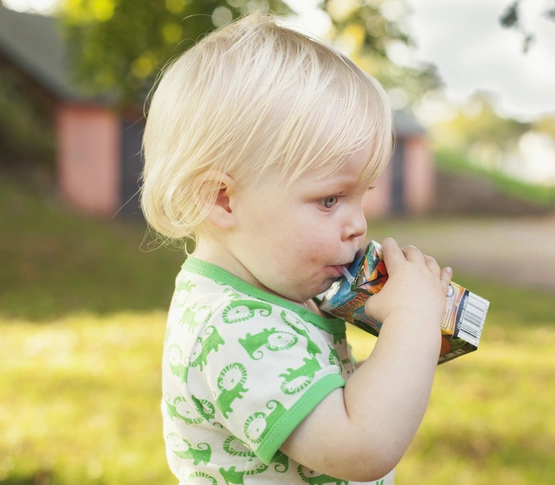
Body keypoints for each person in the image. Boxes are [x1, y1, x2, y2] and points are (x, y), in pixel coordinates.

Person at [140, 12, 453, 485]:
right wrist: (412, 321)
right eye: (330, 199)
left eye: (359, 196)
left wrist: (407, 353)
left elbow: (332, 400)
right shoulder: (231, 330)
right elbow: (361, 447)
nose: (358, 226)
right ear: (221, 198)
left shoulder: (268, 299)